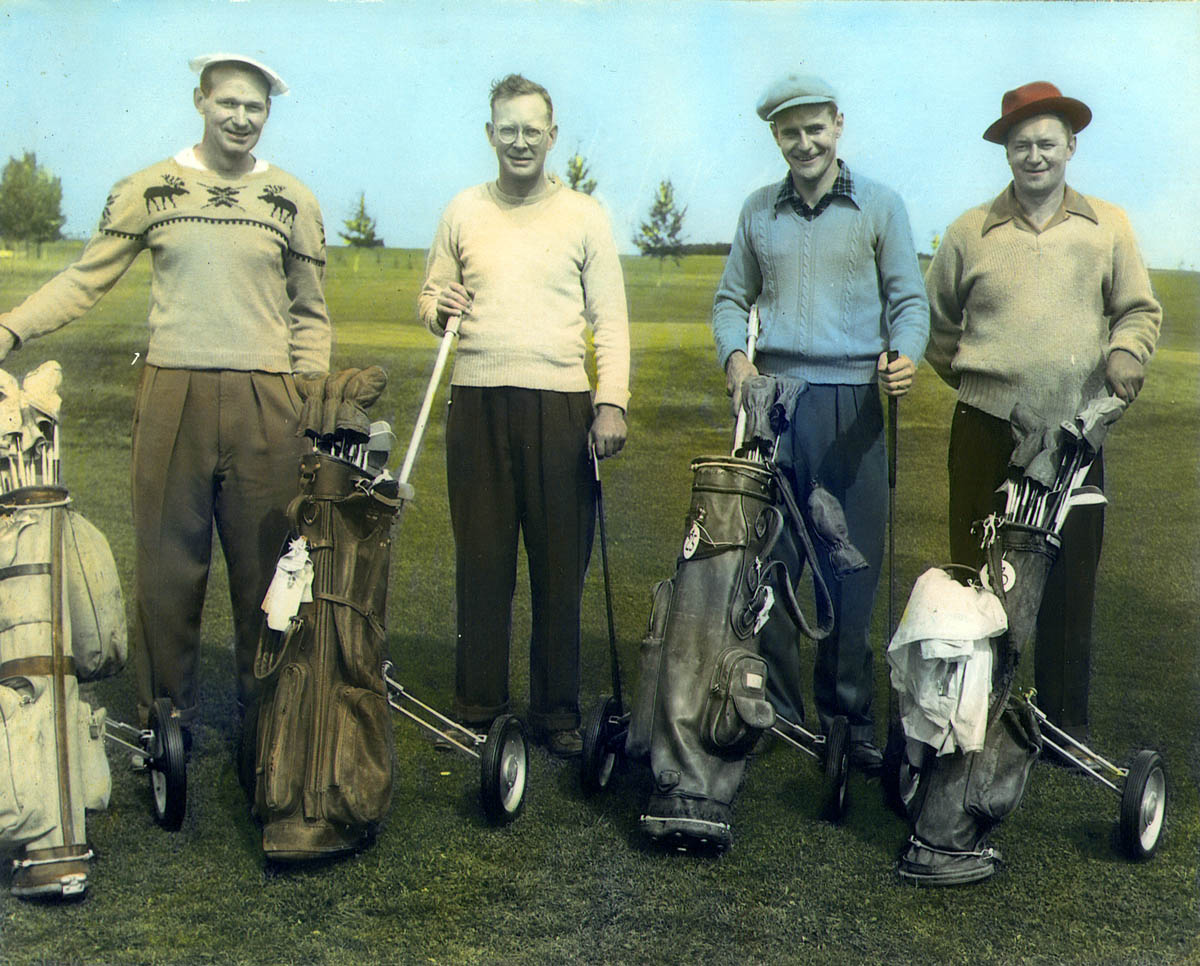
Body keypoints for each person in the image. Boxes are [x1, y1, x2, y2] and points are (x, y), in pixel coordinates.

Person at [0, 54, 331, 742]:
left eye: (255, 107)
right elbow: (84, 279)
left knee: (267, 571)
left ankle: (270, 728)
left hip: (267, 401)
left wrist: (311, 396)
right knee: (167, 571)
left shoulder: (293, 198)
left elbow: (311, 313)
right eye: (228, 103)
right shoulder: (149, 187)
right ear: (200, 101)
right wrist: (11, 327)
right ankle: (166, 727)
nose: (241, 118)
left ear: (268, 113)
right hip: (172, 391)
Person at [924, 81, 1161, 747]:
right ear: (1006, 151)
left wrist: (1125, 351)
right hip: (984, 428)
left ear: (1070, 147)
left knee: (1070, 575)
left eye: (1047, 144)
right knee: (975, 572)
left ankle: (1062, 725)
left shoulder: (1108, 225)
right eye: (1021, 144)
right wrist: (985, 385)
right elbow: (939, 331)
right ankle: (972, 716)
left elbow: (1138, 310)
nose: (1035, 156)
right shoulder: (969, 231)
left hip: (1074, 434)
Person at [712, 73, 929, 773]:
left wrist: (906, 355)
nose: (804, 143)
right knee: (772, 567)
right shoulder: (758, 210)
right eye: (789, 132)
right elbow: (730, 300)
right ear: (775, 136)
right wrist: (736, 360)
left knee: (849, 573)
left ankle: (847, 719)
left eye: (814, 128)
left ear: (838, 124)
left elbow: (909, 303)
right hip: (777, 405)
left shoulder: (881, 205)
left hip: (854, 405)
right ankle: (774, 714)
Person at [418, 74, 630, 757]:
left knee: (559, 569)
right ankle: (478, 706)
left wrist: (611, 402)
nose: (519, 142)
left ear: (551, 135)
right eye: (507, 129)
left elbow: (610, 319)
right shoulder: (463, 209)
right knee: (482, 563)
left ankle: (556, 712)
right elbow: (431, 296)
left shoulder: (584, 215)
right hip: (477, 401)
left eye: (531, 130)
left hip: (561, 406)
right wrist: (437, 306)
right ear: (490, 134)